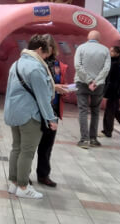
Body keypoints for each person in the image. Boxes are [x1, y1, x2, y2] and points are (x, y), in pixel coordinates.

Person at [4, 35, 58, 199]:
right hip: (29, 115)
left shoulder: (16, 63)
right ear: (40, 49)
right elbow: (43, 97)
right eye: (46, 53)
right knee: (27, 152)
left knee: (16, 148)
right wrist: (51, 118)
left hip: (14, 112)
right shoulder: (36, 68)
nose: (46, 57)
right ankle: (23, 186)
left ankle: (14, 183)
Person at [37, 35, 70, 188]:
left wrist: (65, 90)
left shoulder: (58, 65)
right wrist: (53, 87)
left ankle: (43, 174)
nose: (47, 50)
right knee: (30, 144)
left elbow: (61, 83)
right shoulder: (36, 63)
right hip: (37, 109)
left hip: (53, 110)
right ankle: (23, 174)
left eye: (49, 47)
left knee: (47, 146)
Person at [74, 30, 110, 149]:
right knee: (95, 111)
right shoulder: (105, 50)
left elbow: (77, 66)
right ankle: (93, 139)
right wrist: (96, 81)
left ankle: (84, 139)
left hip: (82, 83)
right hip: (98, 86)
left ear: (88, 38)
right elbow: (106, 68)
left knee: (83, 111)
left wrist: (89, 81)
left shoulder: (81, 48)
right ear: (99, 39)